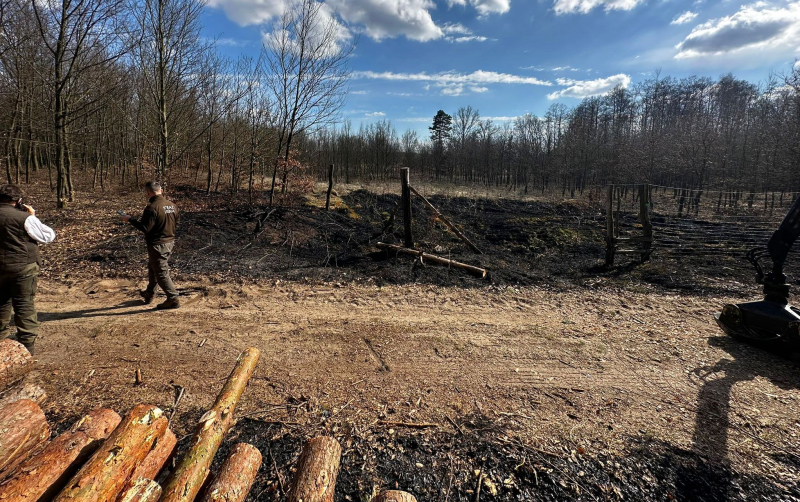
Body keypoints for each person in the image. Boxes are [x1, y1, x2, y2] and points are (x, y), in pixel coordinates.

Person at [0, 185, 56, 354]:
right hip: (23, 267)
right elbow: (48, 236)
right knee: (24, 305)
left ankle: (1, 346)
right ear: (18, 201)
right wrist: (33, 217)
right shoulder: (25, 218)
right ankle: (27, 347)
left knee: (1, 305)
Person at [121, 181, 181, 309]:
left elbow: (144, 228)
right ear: (161, 191)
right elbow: (176, 222)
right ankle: (149, 293)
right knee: (153, 267)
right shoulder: (172, 205)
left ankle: (173, 298)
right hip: (169, 241)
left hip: (157, 244)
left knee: (161, 271)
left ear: (148, 193)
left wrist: (129, 219)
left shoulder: (151, 208)